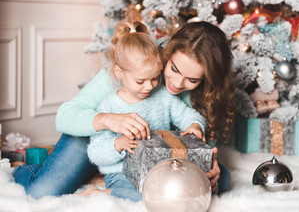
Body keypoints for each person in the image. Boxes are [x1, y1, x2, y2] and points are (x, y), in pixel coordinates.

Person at [12, 21, 234, 199]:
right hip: (97, 137)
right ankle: (26, 168)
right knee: (40, 192)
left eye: (193, 79)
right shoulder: (136, 61)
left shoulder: (203, 94)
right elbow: (65, 115)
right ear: (167, 54)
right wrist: (108, 120)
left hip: (143, 155)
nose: (177, 83)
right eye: (173, 69)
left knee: (221, 179)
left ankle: (99, 178)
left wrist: (209, 167)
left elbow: (201, 137)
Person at [84, 20, 206, 201]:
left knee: (198, 187)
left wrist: (195, 125)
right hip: (122, 173)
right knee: (146, 196)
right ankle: (100, 193)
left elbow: (188, 115)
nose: (149, 86)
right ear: (119, 72)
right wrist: (119, 144)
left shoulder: (163, 96)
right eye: (140, 81)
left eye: (155, 78)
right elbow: (95, 153)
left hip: (160, 169)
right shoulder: (109, 107)